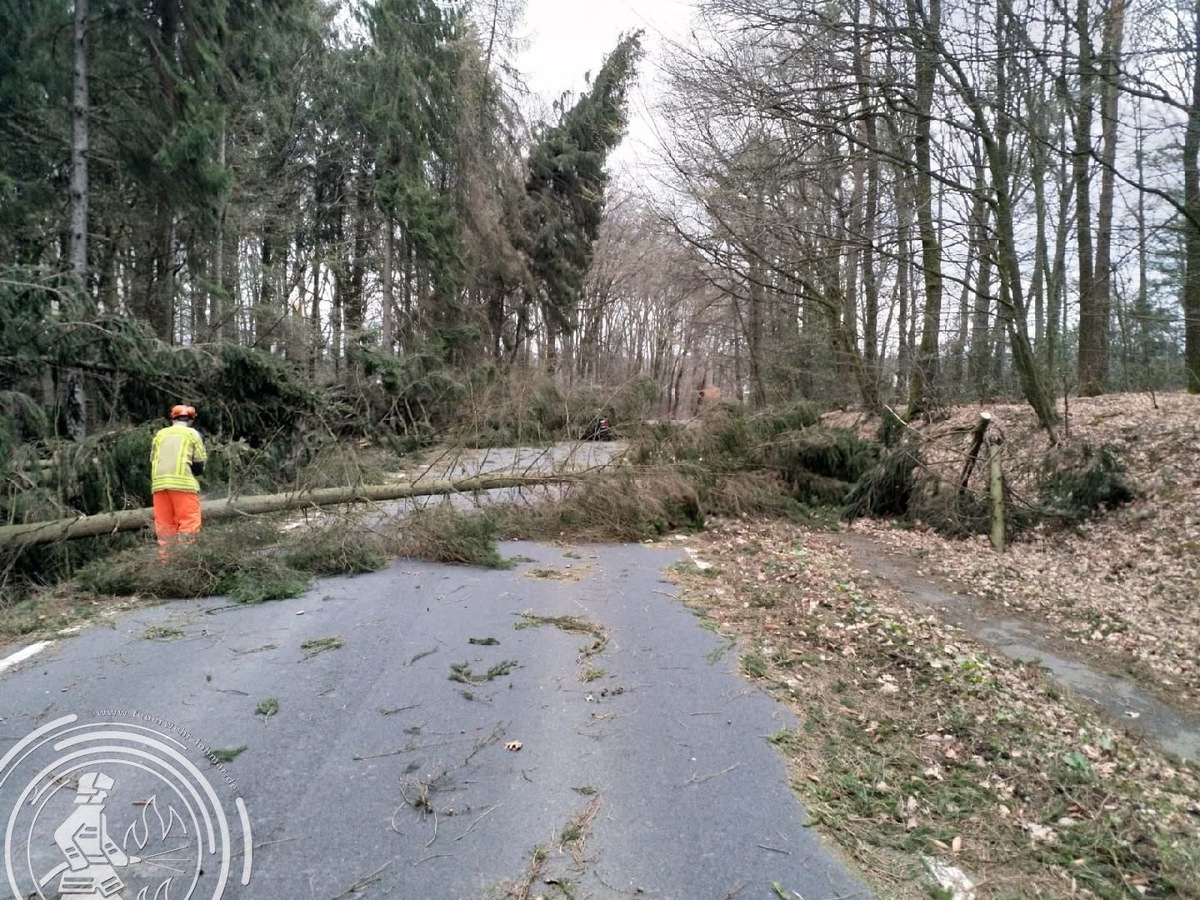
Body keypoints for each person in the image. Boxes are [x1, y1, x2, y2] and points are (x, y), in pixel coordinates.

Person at [150, 404, 207, 552]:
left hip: (159, 486)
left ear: (172, 418)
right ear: (191, 420)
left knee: (165, 528)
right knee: (189, 524)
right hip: (183, 485)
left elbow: (153, 459)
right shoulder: (192, 434)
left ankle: (167, 563)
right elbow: (199, 466)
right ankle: (185, 561)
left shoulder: (160, 435)